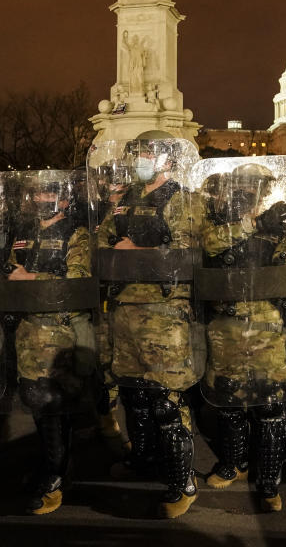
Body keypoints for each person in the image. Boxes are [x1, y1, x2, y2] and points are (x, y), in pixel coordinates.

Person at [96, 131, 201, 519]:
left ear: (166, 159)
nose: (138, 159)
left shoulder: (181, 198)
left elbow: (186, 256)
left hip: (163, 312)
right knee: (135, 395)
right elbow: (102, 241)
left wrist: (134, 251)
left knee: (166, 400)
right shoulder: (127, 201)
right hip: (124, 308)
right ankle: (144, 461)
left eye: (145, 153)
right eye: (136, 153)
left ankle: (182, 481)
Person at [197, 162, 286, 511]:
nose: (247, 192)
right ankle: (235, 463)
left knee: (270, 403)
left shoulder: (280, 226)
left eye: (255, 186)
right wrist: (253, 223)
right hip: (226, 324)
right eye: (242, 185)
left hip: (266, 324)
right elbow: (209, 246)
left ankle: (270, 480)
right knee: (229, 399)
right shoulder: (217, 222)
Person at [0, 170, 96, 514]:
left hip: (59, 331)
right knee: (37, 402)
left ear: (64, 200)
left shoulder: (76, 234)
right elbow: (8, 268)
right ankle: (58, 467)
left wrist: (30, 278)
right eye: (36, 196)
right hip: (28, 331)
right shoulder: (24, 233)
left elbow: (77, 278)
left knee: (54, 403)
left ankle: (55, 476)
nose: (42, 201)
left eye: (49, 196)